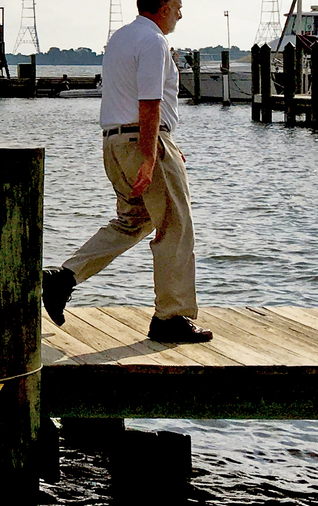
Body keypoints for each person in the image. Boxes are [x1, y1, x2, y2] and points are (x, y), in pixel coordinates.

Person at [42, 0, 213, 344]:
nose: (181, 12)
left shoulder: (120, 38)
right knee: (176, 226)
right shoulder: (154, 42)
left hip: (115, 142)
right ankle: (171, 317)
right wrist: (152, 157)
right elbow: (149, 103)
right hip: (142, 139)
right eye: (178, 5)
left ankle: (63, 278)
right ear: (163, 6)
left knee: (134, 220)